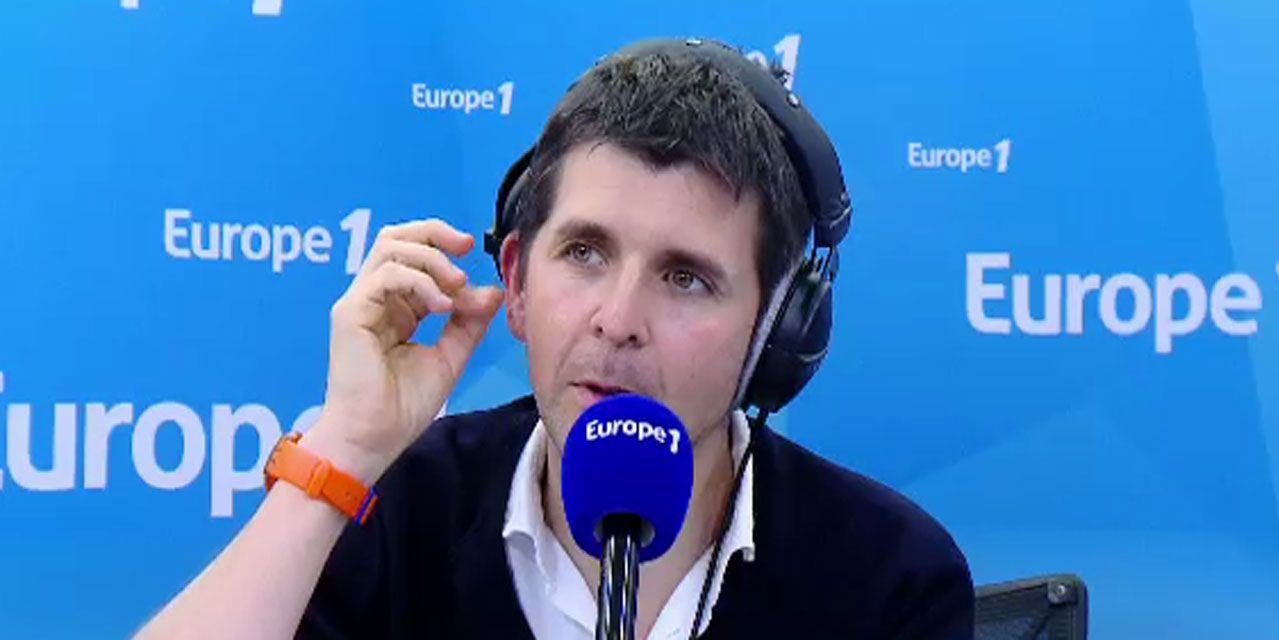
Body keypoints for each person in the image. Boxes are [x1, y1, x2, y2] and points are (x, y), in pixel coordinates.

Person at [136, 37, 973, 640]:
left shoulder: (889, 576)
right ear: (518, 281)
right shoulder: (395, 511)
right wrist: (345, 450)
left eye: (685, 277)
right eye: (585, 253)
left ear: (774, 334)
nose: (618, 319)